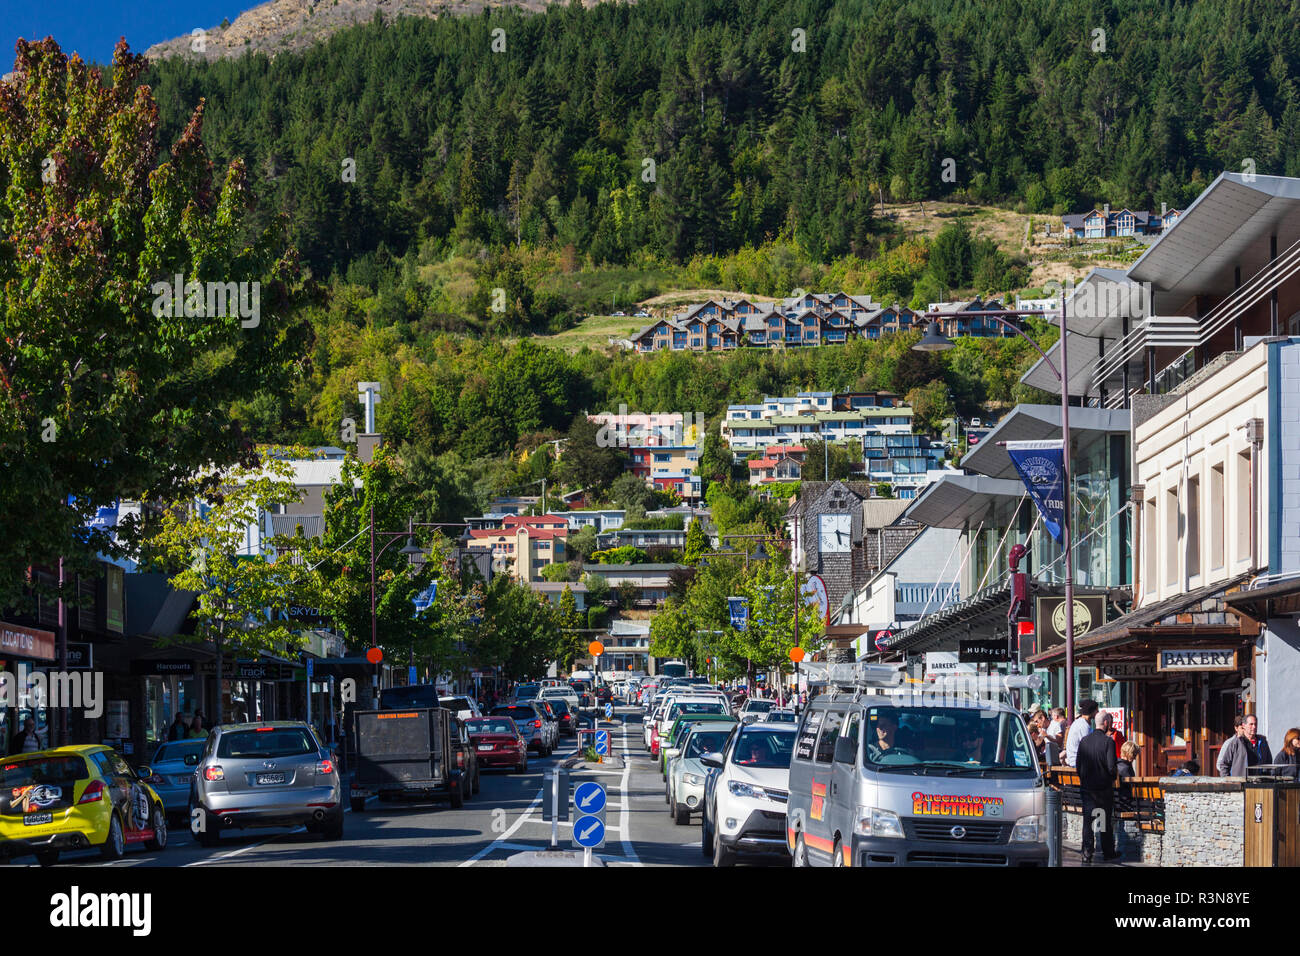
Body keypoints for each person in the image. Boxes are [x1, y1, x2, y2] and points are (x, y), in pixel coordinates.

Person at [1076, 715, 1120, 863]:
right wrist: (1113, 777)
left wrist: (1084, 780)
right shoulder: (1108, 742)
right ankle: (1107, 851)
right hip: (1103, 789)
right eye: (1110, 723)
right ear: (1106, 723)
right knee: (1104, 821)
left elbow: (1078, 766)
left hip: (1088, 789)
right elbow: (1111, 767)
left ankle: (1087, 852)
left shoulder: (1084, 741)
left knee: (1087, 821)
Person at [1064, 699, 1098, 768]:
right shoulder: (1083, 726)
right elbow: (1088, 747)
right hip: (1078, 763)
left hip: (1077, 761)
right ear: (1091, 711)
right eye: (1096, 710)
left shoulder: (1080, 723)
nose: (1098, 712)